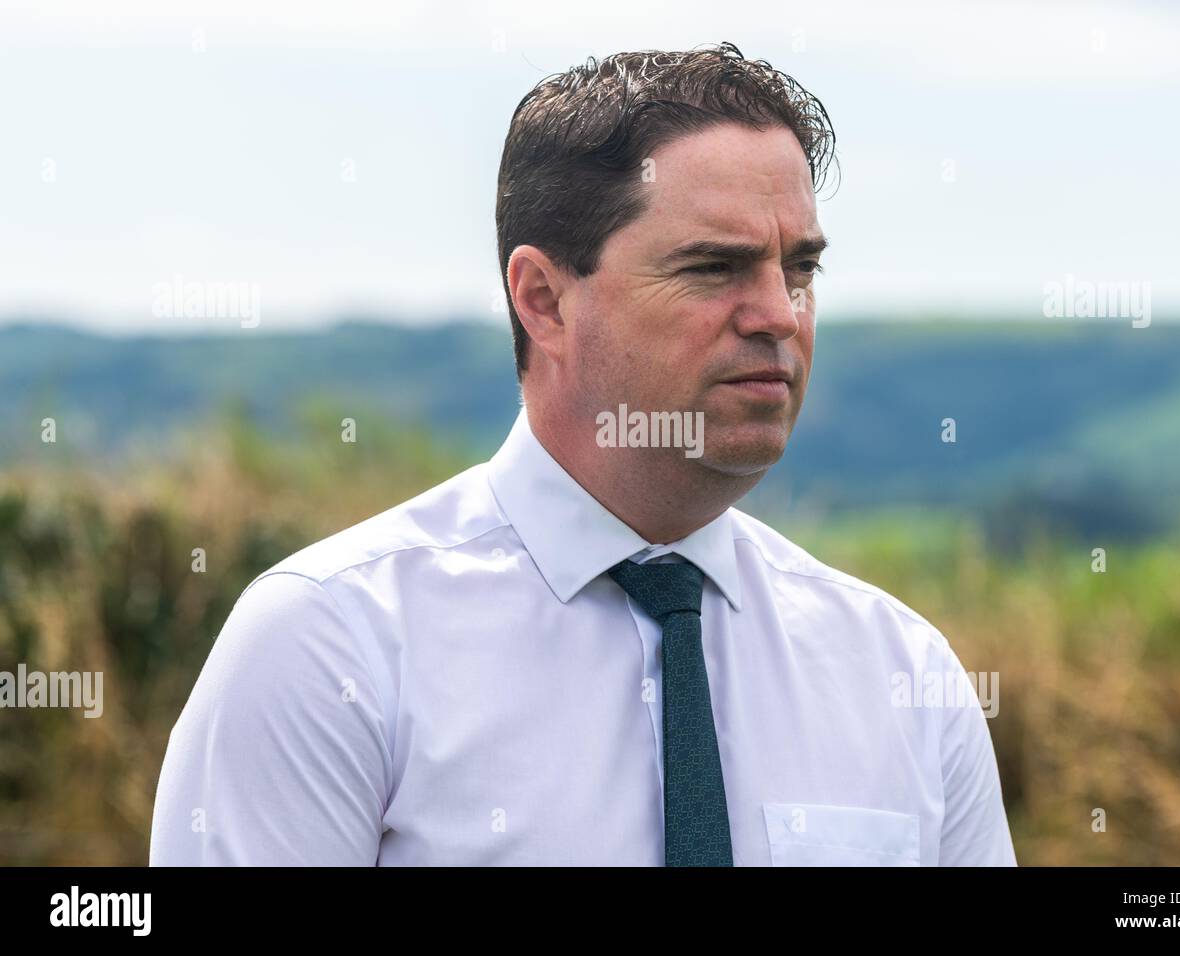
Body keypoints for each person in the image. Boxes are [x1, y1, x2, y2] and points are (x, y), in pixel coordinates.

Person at [150, 41, 1016, 866]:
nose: (780, 315)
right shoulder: (331, 648)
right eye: (715, 268)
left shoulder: (903, 675)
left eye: (800, 269)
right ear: (543, 302)